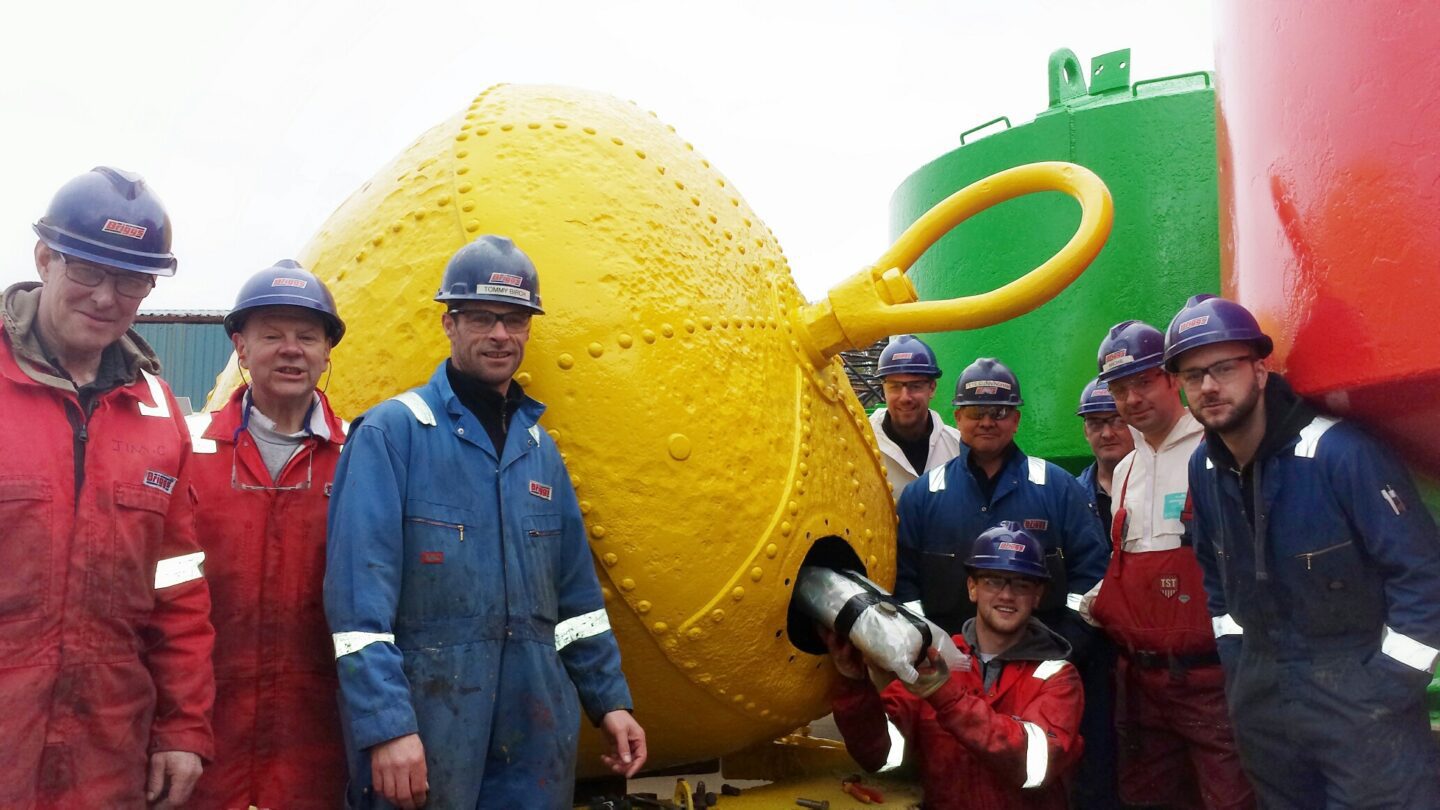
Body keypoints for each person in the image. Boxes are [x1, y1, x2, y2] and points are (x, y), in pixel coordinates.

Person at [324, 235, 646, 809]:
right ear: (450, 324)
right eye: (481, 317)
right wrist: (388, 727)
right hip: (425, 730)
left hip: (534, 735)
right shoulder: (392, 435)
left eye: (515, 319)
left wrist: (610, 701)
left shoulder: (539, 451)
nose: (500, 334)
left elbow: (577, 606)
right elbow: (357, 612)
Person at [1169, 293, 1440, 809]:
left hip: (1359, 701)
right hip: (1263, 699)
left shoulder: (1340, 455)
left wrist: (1388, 684)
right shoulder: (1204, 469)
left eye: (1224, 367)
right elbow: (1213, 574)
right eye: (1192, 375)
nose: (1208, 386)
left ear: (1260, 370)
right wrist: (1239, 662)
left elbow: (1424, 574)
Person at [0, 167, 214, 807]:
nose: (106, 297)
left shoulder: (158, 413)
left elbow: (178, 585)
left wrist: (182, 727)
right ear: (45, 257)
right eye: (88, 270)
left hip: (107, 748)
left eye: (131, 279)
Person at [186, 261, 349, 808]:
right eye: (272, 334)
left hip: (318, 746)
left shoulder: (362, 461)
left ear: (327, 351)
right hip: (205, 739)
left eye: (307, 336)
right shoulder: (190, 456)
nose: (291, 349)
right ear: (240, 345)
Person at [1082, 320, 1254, 809]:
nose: (1132, 399)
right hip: (1140, 684)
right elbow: (1128, 564)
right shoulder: (1127, 468)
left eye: (1143, 381)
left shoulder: (1216, 448)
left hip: (1210, 682)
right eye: (1119, 389)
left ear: (1171, 378)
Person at [827, 523, 1084, 810]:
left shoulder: (1057, 676)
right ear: (972, 587)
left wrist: (947, 697)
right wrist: (853, 685)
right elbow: (879, 755)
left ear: (1038, 595)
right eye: (993, 580)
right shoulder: (937, 657)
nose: (1007, 595)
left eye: (1022, 584)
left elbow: (1031, 767)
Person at [893, 357, 1107, 648]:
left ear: (1016, 420)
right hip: (950, 667)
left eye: (999, 412)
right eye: (976, 412)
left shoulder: (1058, 489)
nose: (986, 422)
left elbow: (1091, 573)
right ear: (958, 418)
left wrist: (1064, 643)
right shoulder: (921, 497)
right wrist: (930, 649)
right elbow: (904, 585)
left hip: (1042, 666)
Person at [867, 334, 961, 493]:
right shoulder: (863, 443)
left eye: (915, 386)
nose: (905, 397)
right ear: (884, 390)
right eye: (895, 386)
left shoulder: (957, 447)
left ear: (932, 388)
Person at [1075, 376, 1133, 528]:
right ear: (1085, 432)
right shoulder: (1072, 495)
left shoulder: (1156, 485)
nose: (1107, 434)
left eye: (1118, 421)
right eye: (1095, 423)